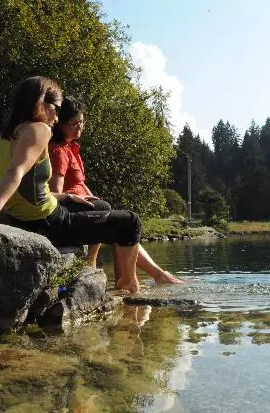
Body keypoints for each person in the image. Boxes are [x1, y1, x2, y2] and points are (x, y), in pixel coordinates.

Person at [0, 76, 142, 294]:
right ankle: (128, 287)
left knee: (100, 206)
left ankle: (102, 275)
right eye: (57, 109)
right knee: (130, 222)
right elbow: (16, 171)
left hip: (25, 217)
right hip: (48, 223)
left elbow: (29, 187)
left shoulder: (7, 136)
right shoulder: (39, 129)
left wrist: (68, 197)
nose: (57, 117)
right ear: (41, 102)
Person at [49, 96, 183, 285]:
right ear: (61, 124)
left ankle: (142, 277)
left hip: (80, 207)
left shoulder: (71, 148)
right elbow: (56, 192)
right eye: (74, 123)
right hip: (68, 213)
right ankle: (137, 279)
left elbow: (80, 183)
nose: (79, 127)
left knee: (111, 215)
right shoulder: (58, 152)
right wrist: (86, 201)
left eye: (81, 122)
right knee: (118, 221)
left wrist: (93, 198)